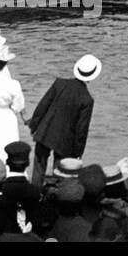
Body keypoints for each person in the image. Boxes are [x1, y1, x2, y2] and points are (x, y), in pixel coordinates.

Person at [28, 54, 100, 186]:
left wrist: (34, 126)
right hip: (65, 141)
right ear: (92, 76)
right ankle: (55, 196)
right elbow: (81, 129)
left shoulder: (59, 83)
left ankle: (34, 195)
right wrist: (78, 152)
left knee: (38, 169)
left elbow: (42, 106)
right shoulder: (87, 99)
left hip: (45, 132)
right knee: (60, 174)